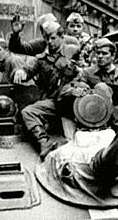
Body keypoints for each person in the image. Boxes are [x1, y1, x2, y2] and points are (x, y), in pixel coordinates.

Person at [20, 21, 80, 160]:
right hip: (53, 101)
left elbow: (86, 74)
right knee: (28, 112)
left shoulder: (72, 53)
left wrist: (75, 71)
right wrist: (20, 71)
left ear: (61, 37)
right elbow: (28, 70)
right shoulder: (41, 59)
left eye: (53, 38)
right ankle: (44, 142)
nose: (50, 42)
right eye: (47, 38)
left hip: (73, 101)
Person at [63, 38, 118, 128]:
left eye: (104, 53)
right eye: (98, 53)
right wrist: (77, 89)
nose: (100, 56)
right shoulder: (87, 73)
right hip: (99, 115)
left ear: (112, 56)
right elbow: (70, 87)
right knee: (102, 87)